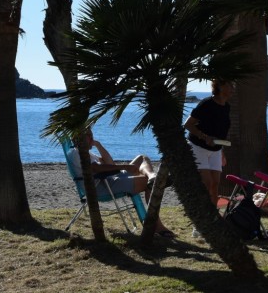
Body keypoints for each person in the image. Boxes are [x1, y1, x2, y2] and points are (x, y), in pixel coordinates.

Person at [70, 128, 173, 237]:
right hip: (102, 186)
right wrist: (125, 166)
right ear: (79, 138)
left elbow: (109, 162)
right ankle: (157, 226)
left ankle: (151, 175)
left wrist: (98, 145)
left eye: (92, 135)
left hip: (108, 179)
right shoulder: (77, 153)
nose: (92, 138)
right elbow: (96, 168)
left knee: (141, 158)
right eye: (89, 136)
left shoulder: (86, 152)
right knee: (149, 184)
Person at [183, 78, 234, 208]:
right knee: (206, 182)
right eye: (230, 85)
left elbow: (220, 130)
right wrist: (204, 137)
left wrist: (221, 150)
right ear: (220, 87)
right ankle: (202, 214)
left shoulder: (226, 106)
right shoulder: (206, 104)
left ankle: (213, 216)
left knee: (215, 183)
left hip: (216, 150)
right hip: (198, 147)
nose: (233, 88)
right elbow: (188, 125)